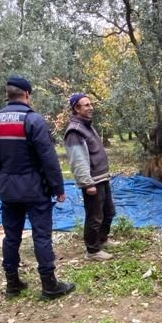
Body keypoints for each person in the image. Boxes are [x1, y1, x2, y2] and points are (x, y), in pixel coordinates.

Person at [0, 75, 75, 300]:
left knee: (11, 236)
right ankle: (49, 284)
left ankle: (12, 284)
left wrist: (2, 183)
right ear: (27, 94)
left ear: (8, 94)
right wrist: (58, 188)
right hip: (35, 189)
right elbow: (48, 159)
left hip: (8, 189)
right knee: (41, 236)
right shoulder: (33, 120)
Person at [64, 93, 116, 261]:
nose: (90, 107)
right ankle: (92, 251)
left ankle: (102, 240)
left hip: (101, 178)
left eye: (90, 104)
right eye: (86, 105)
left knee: (108, 212)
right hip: (92, 181)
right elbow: (77, 160)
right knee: (94, 216)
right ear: (76, 108)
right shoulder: (75, 131)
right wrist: (87, 183)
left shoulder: (87, 126)